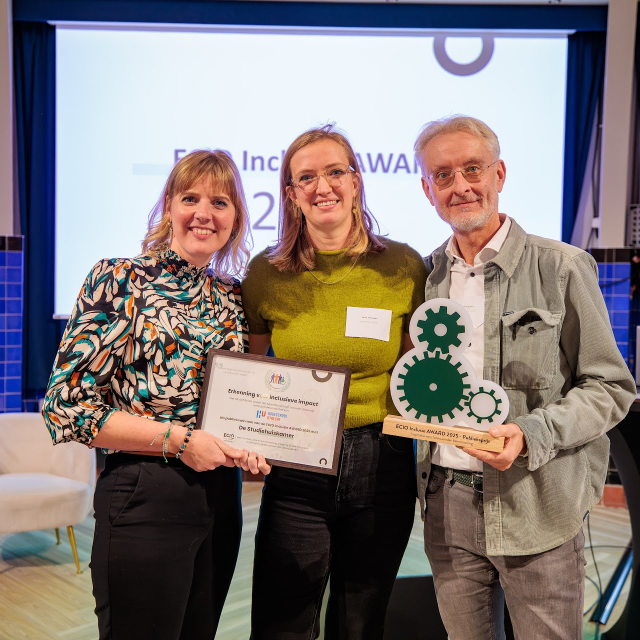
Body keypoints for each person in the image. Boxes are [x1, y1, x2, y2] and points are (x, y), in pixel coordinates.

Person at [413, 115, 636, 639]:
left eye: (473, 169)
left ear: (499, 174)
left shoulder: (562, 266)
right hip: (446, 507)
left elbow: (610, 386)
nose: (460, 186)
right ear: (427, 190)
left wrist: (531, 433)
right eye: (443, 175)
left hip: (537, 501)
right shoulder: (426, 277)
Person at [42, 149, 270, 640]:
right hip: (144, 490)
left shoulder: (232, 296)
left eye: (220, 202)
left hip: (222, 497)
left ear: (235, 218)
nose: (204, 213)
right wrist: (181, 441)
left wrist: (254, 441)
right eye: (190, 199)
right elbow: (66, 407)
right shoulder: (119, 278)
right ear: (168, 206)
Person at [242, 124, 428, 639]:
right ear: (291, 194)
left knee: (361, 622)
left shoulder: (404, 266)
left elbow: (414, 371)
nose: (322, 186)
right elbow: (252, 372)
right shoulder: (265, 273)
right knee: (282, 622)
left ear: (355, 181)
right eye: (307, 177)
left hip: (383, 459)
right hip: (297, 466)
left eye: (334, 172)